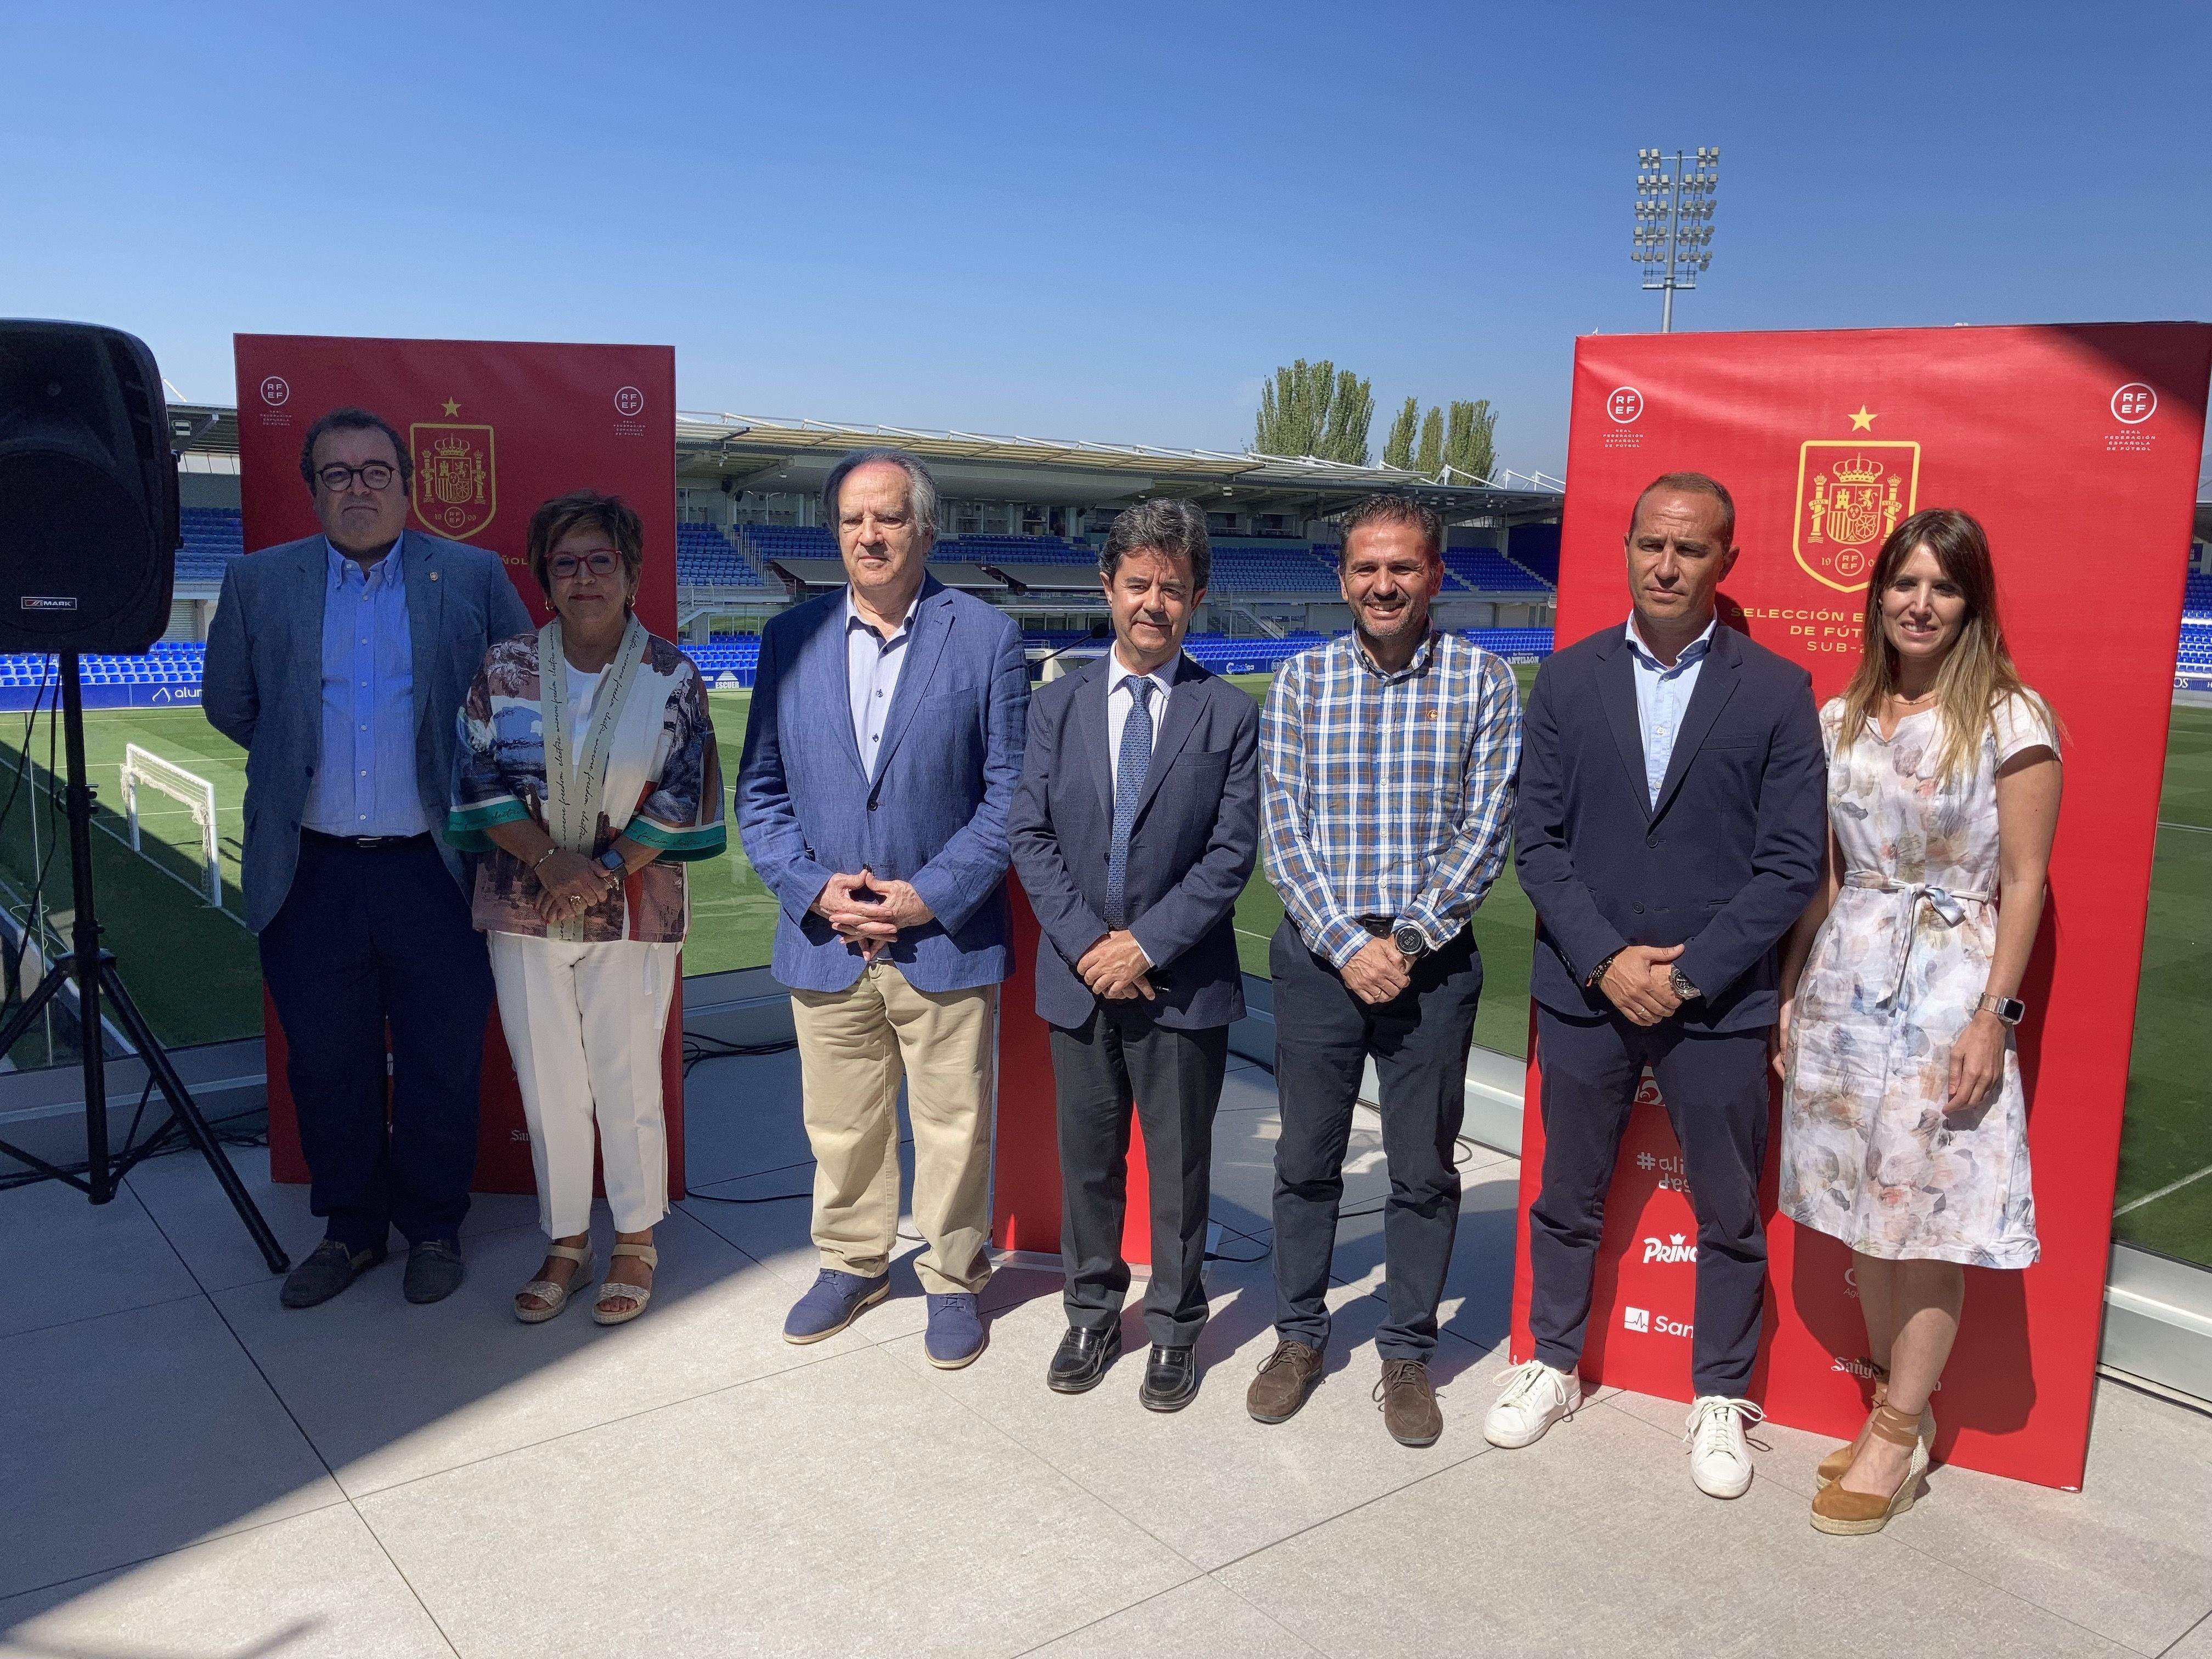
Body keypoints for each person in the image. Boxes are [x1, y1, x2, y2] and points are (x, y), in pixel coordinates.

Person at [1489, 471, 1826, 1498]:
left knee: (1729, 1212)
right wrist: (1606, 961)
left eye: (1691, 548)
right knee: (1567, 1196)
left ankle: (1721, 1394)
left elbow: (1789, 865)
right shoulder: (1569, 678)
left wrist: (1689, 976)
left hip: (1716, 1004)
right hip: (1587, 990)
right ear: (1628, 550)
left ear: (1728, 561)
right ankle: (1551, 1361)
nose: (1668, 565)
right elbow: (1536, 845)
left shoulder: (1775, 692)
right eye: (1652, 545)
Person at [204, 406, 534, 1308]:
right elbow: (231, 703)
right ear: (313, 489)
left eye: (376, 470)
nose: (359, 487)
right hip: (309, 873)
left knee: (442, 1062)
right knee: (327, 1063)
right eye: (338, 473)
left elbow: (516, 697)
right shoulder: (257, 582)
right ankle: (351, 1232)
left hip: (439, 871)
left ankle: (433, 1228)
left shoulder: (468, 575)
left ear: (406, 485)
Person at [1777, 509, 2060, 1536]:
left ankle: (1899, 1429)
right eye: (1904, 583)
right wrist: (1792, 988)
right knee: (1868, 1214)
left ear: (1972, 602)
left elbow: (2026, 882)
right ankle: (1899, 1407)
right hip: (1848, 984)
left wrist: (1995, 1014)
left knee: (1929, 1218)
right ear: (1878, 597)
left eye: (1943, 586)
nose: (1920, 603)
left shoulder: (2012, 718)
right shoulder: (1840, 716)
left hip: (1950, 991)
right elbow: (1827, 879)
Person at [736, 448, 1028, 1369]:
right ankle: (854, 1263)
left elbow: (1008, 798)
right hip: (827, 936)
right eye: (854, 519)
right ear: (835, 532)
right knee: (842, 1122)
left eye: (890, 517)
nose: (870, 534)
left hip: (942, 936)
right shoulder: (790, 639)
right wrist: (816, 890)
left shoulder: (986, 637)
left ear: (924, 528)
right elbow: (760, 792)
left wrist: (923, 897)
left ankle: (951, 1277)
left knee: (952, 1122)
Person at [1248, 494, 1522, 1448]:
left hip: (1432, 966)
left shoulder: (1483, 683)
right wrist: (1345, 943)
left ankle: (1407, 1351)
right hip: (1322, 957)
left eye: (1403, 567)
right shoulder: (1301, 681)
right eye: (1366, 568)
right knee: (1304, 1162)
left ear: (1436, 575)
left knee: (1423, 1172)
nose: (1383, 584)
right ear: (1342, 577)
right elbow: (1282, 832)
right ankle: (1299, 1336)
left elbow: (1487, 829)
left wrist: (1402, 944)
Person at [448, 492, 725, 1327]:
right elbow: (476, 778)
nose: (583, 577)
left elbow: (687, 791)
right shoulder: (505, 669)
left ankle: (635, 1236)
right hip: (524, 905)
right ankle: (566, 1238)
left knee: (628, 1076)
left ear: (632, 574)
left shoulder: (671, 673)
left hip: (634, 909)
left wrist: (600, 870)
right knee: (549, 1084)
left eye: (601, 560)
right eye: (565, 563)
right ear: (544, 579)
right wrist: (551, 862)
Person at [1007, 500, 1260, 1411]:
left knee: (1183, 1167)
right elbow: (1028, 833)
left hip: (1182, 983)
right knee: (1089, 1161)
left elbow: (1232, 854)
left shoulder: (1228, 715)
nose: (1155, 603)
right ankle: (1091, 1311)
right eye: (1140, 584)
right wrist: (1091, 950)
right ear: (1108, 587)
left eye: (1174, 589)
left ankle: (1177, 1327)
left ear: (1196, 599)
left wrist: (1144, 945)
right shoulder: (1055, 706)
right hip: (1081, 982)